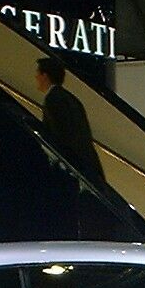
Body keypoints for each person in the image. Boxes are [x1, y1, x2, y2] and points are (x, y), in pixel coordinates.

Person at [35, 56, 105, 189]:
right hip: (89, 164)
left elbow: (59, 136)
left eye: (38, 74)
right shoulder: (71, 99)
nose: (36, 78)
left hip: (74, 167)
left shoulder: (53, 99)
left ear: (45, 76)